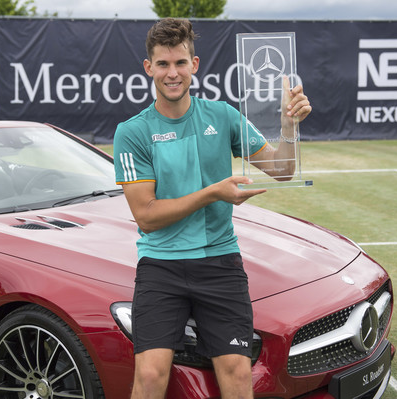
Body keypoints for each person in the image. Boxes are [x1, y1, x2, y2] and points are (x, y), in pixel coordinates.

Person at [113, 18, 311, 399]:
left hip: (220, 262)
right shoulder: (133, 132)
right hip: (161, 265)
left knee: (237, 373)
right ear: (148, 68)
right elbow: (147, 218)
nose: (173, 73)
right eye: (164, 64)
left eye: (181, 63)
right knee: (151, 375)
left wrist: (287, 126)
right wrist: (212, 193)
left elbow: (282, 170)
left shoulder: (222, 116)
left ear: (195, 64)